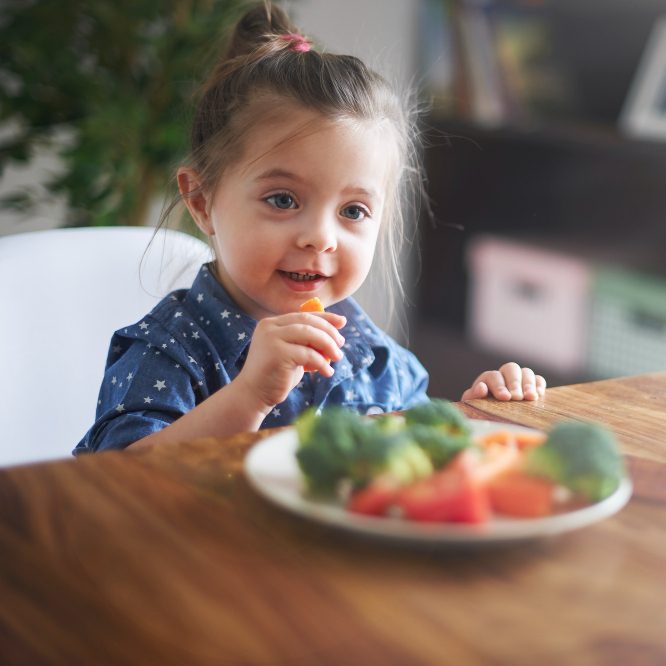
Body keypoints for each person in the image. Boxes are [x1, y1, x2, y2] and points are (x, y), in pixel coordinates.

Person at [75, 2, 545, 455]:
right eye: (283, 200)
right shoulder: (171, 349)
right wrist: (251, 396)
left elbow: (414, 462)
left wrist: (478, 415)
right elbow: (115, 482)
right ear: (201, 201)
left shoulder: (374, 356)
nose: (321, 237)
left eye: (354, 211)